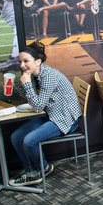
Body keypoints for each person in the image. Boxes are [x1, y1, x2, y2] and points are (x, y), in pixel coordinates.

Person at [9, 41, 82, 187]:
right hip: (50, 114)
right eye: (20, 62)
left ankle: (43, 168)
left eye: (26, 61)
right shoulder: (36, 74)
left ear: (38, 61)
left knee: (29, 141)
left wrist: (27, 84)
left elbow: (37, 106)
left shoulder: (49, 76)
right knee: (15, 137)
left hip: (64, 118)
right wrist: (14, 87)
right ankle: (31, 172)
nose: (22, 65)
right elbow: (33, 98)